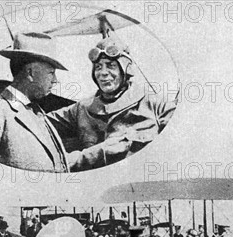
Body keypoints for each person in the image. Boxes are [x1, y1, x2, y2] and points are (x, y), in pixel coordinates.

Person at [0, 32, 127, 172]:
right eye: (51, 73)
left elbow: (57, 166)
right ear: (31, 73)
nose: (55, 80)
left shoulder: (37, 114)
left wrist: (102, 151)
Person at [46, 37, 177, 171]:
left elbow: (175, 145)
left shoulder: (155, 104)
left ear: (125, 70)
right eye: (98, 67)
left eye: (111, 65)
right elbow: (39, 125)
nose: (103, 73)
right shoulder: (81, 108)